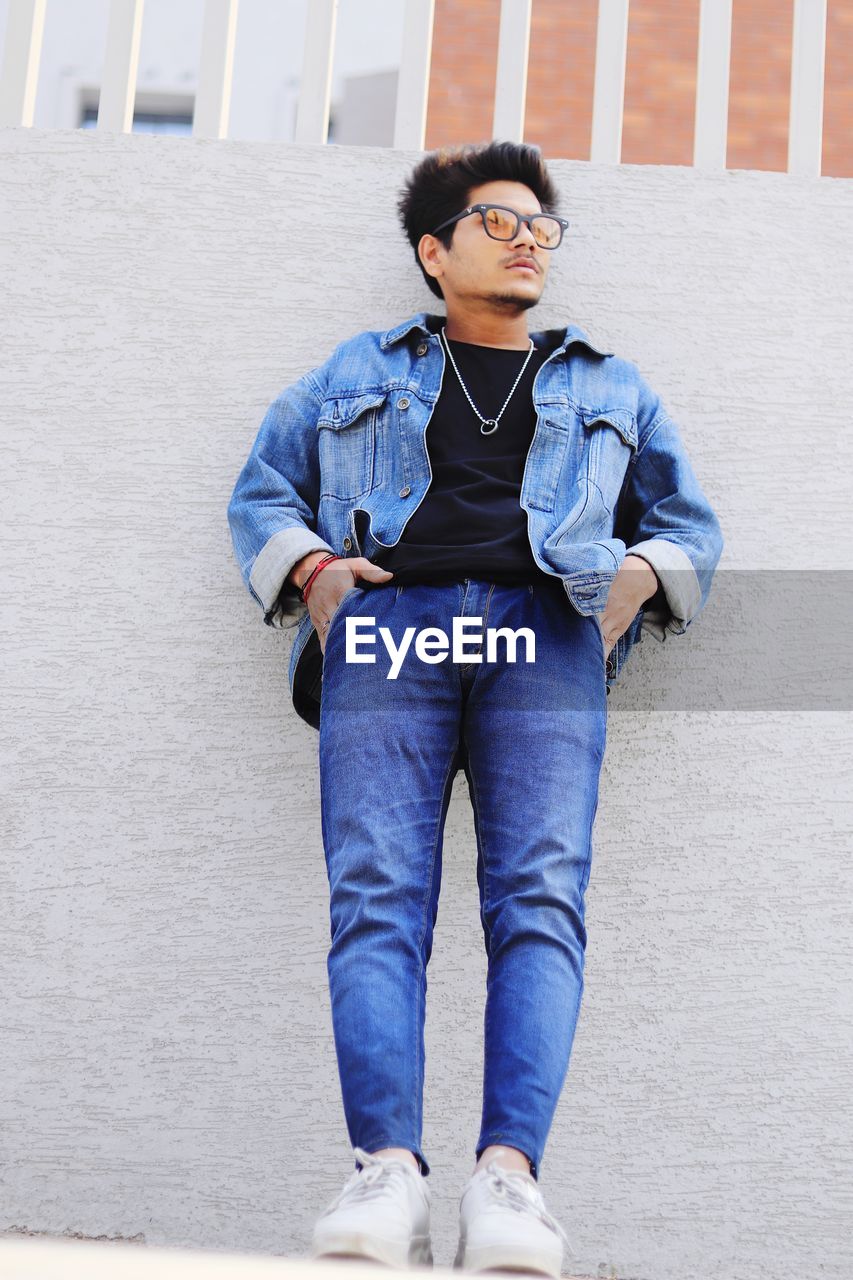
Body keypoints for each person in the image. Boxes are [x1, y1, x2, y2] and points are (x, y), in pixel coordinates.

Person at [227, 140, 723, 1276]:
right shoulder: (360, 364)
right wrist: (315, 574)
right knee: (376, 898)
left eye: (542, 226)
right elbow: (261, 489)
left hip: (540, 636)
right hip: (391, 633)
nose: (529, 239)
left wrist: (639, 581)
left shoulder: (609, 380)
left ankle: (509, 1182)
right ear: (433, 251)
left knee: (540, 899)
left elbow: (687, 523)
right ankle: (387, 1170)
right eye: (499, 222)